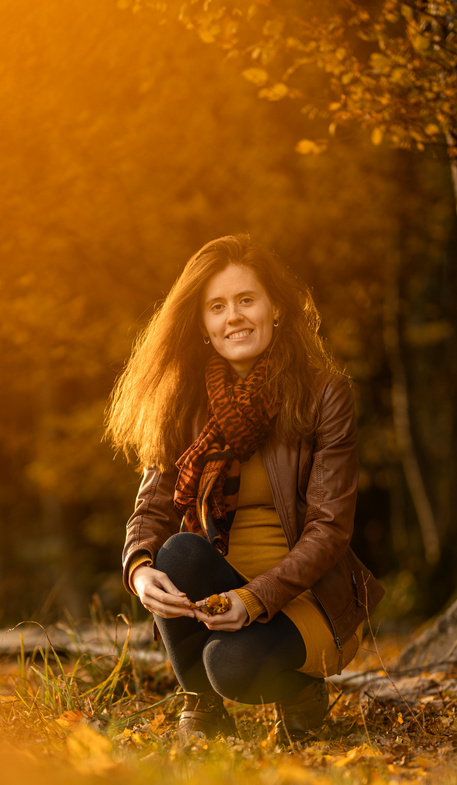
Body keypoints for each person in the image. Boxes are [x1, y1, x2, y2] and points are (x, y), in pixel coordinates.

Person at [105, 234, 384, 742]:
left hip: (305, 599)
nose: (233, 316)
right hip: (220, 586)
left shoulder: (324, 395)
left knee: (227, 664)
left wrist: (254, 599)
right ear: (204, 327)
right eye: (217, 306)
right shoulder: (184, 406)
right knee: (177, 554)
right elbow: (150, 509)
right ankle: (203, 710)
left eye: (246, 300)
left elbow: (329, 529)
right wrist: (140, 572)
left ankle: (301, 694)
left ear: (275, 309)